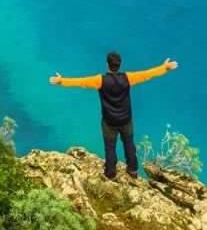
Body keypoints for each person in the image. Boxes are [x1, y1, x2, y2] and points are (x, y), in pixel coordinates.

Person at [49, 52, 178, 179]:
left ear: (107, 65)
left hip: (109, 122)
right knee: (129, 145)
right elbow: (147, 74)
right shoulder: (128, 77)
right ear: (120, 65)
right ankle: (132, 170)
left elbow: (80, 82)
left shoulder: (100, 80)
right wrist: (164, 68)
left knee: (110, 148)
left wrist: (61, 81)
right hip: (126, 120)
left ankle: (110, 173)